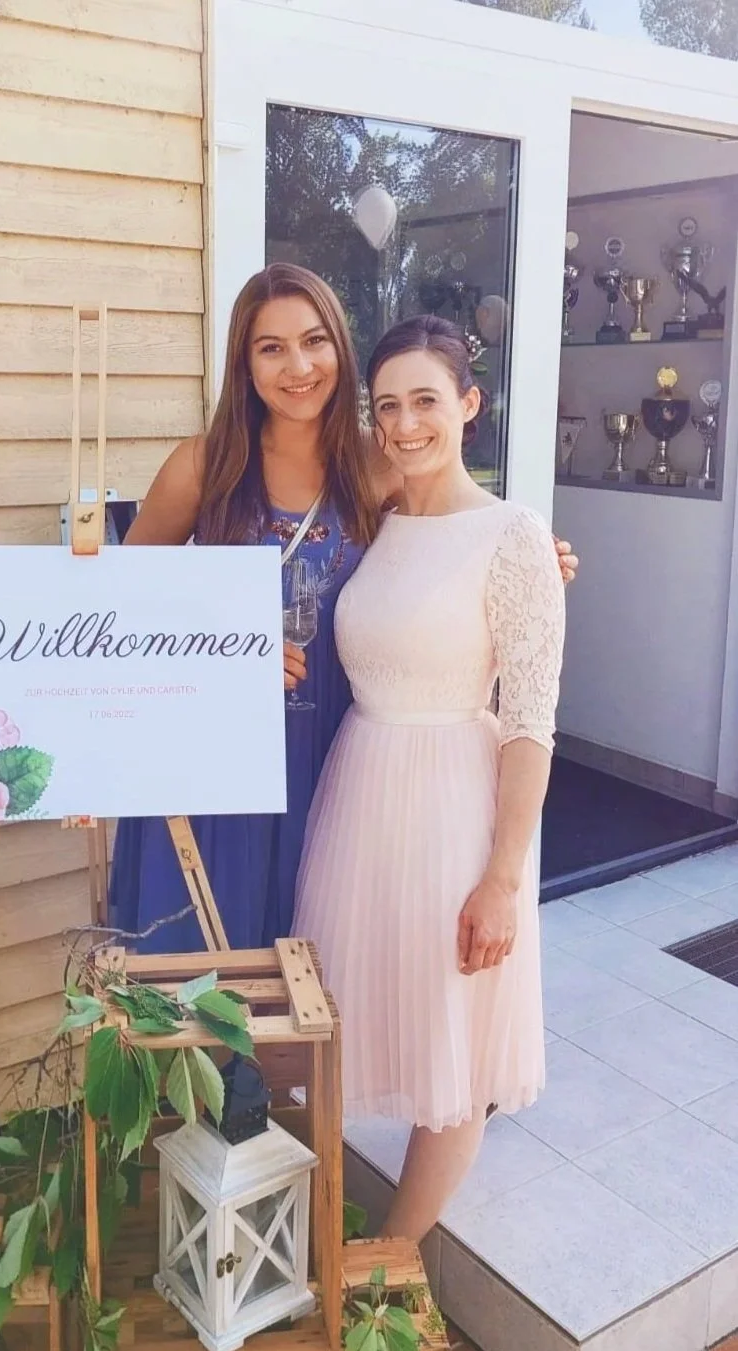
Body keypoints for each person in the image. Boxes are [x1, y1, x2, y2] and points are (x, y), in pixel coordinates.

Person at [109, 264, 576, 952]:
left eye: (314, 340)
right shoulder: (202, 467)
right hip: (216, 753)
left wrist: (533, 562)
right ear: (244, 362)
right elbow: (118, 610)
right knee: (193, 971)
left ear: (340, 351)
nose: (297, 366)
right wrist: (223, 652)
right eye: (270, 347)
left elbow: (450, 542)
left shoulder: (378, 466)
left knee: (315, 978)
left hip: (335, 760)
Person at [293, 314, 566, 1243]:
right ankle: (318, 1230)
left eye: (425, 402)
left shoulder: (514, 534)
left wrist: (501, 877)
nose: (405, 424)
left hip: (457, 800)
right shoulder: (379, 518)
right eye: (386, 407)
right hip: (361, 793)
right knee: (348, 1013)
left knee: (454, 1039)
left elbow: (531, 722)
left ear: (469, 407)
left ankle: (389, 1260)